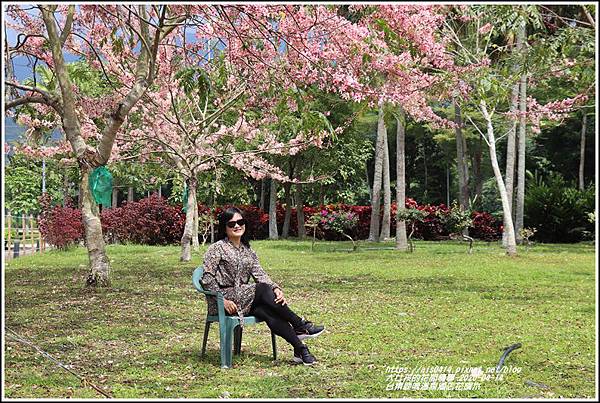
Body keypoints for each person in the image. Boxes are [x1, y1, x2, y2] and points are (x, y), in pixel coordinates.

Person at [201, 206, 325, 366]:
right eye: (232, 224)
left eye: (240, 222)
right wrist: (221, 299)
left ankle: (300, 349)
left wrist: (276, 288)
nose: (237, 226)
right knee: (261, 288)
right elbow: (207, 277)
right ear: (224, 228)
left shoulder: (248, 251)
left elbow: (260, 274)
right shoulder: (216, 248)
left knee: (266, 310)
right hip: (223, 302)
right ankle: (299, 324)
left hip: (244, 301)